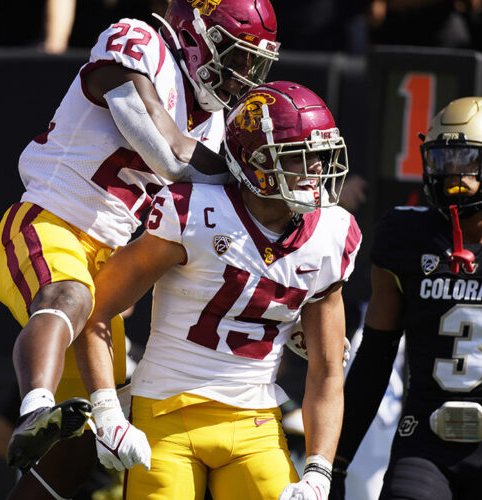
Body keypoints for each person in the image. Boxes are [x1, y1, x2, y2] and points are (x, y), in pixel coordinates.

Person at [0, 0, 280, 497]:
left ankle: (48, 433)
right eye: (236, 54)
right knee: (68, 298)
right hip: (51, 219)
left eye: (255, 62)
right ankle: (34, 407)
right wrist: (248, 175)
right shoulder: (137, 41)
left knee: (81, 445)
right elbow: (163, 147)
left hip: (108, 260)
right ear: (195, 32)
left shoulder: (212, 118)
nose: (243, 73)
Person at [78, 81, 361, 500]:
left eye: (320, 154)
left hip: (256, 423)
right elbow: (96, 309)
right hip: (166, 410)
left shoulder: (332, 235)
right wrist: (106, 412)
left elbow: (326, 369)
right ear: (256, 163)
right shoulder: (196, 213)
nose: (317, 168)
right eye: (300, 156)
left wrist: (318, 471)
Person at [330, 96, 482, 499]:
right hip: (423, 442)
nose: (452, 173)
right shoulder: (405, 237)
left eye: (467, 160)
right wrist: (335, 463)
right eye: (443, 159)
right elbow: (375, 358)